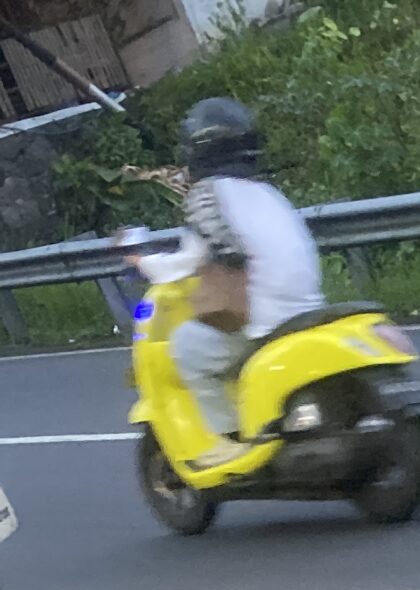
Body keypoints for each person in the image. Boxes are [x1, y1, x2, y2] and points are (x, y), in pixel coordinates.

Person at [124, 99, 324, 455]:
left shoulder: (208, 196)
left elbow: (190, 260)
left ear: (197, 149)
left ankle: (232, 442)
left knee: (186, 347)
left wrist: (142, 262)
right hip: (309, 311)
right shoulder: (266, 191)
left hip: (267, 318)